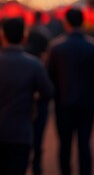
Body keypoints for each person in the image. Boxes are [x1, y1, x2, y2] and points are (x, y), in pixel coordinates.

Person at [0, 18, 53, 175]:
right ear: (24, 36)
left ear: (2, 35)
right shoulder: (34, 64)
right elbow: (48, 92)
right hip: (21, 132)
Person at [46, 8, 94, 175]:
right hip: (87, 103)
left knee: (65, 144)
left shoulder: (56, 47)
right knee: (84, 144)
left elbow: (49, 77)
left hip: (63, 104)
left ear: (66, 22)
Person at [25, 11, 53, 175]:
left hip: (23, 107)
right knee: (38, 136)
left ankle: (30, 162)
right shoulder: (39, 64)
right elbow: (48, 90)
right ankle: (37, 165)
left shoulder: (24, 60)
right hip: (39, 105)